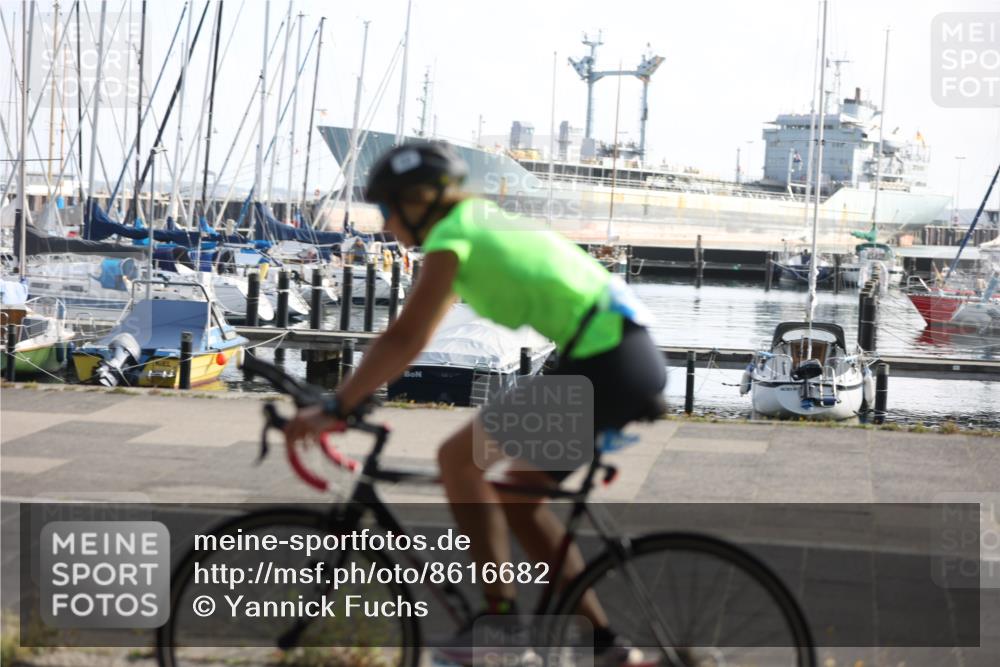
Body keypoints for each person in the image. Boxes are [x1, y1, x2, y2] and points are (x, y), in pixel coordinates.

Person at [284, 141, 666, 666]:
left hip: (606, 360)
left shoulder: (454, 236)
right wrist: (351, 396)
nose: (385, 223)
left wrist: (337, 406)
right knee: (517, 500)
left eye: (389, 209)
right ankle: (609, 648)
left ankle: (501, 627)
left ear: (420, 202)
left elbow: (406, 338)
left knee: (459, 460)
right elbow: (410, 338)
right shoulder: (475, 223)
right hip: (619, 356)